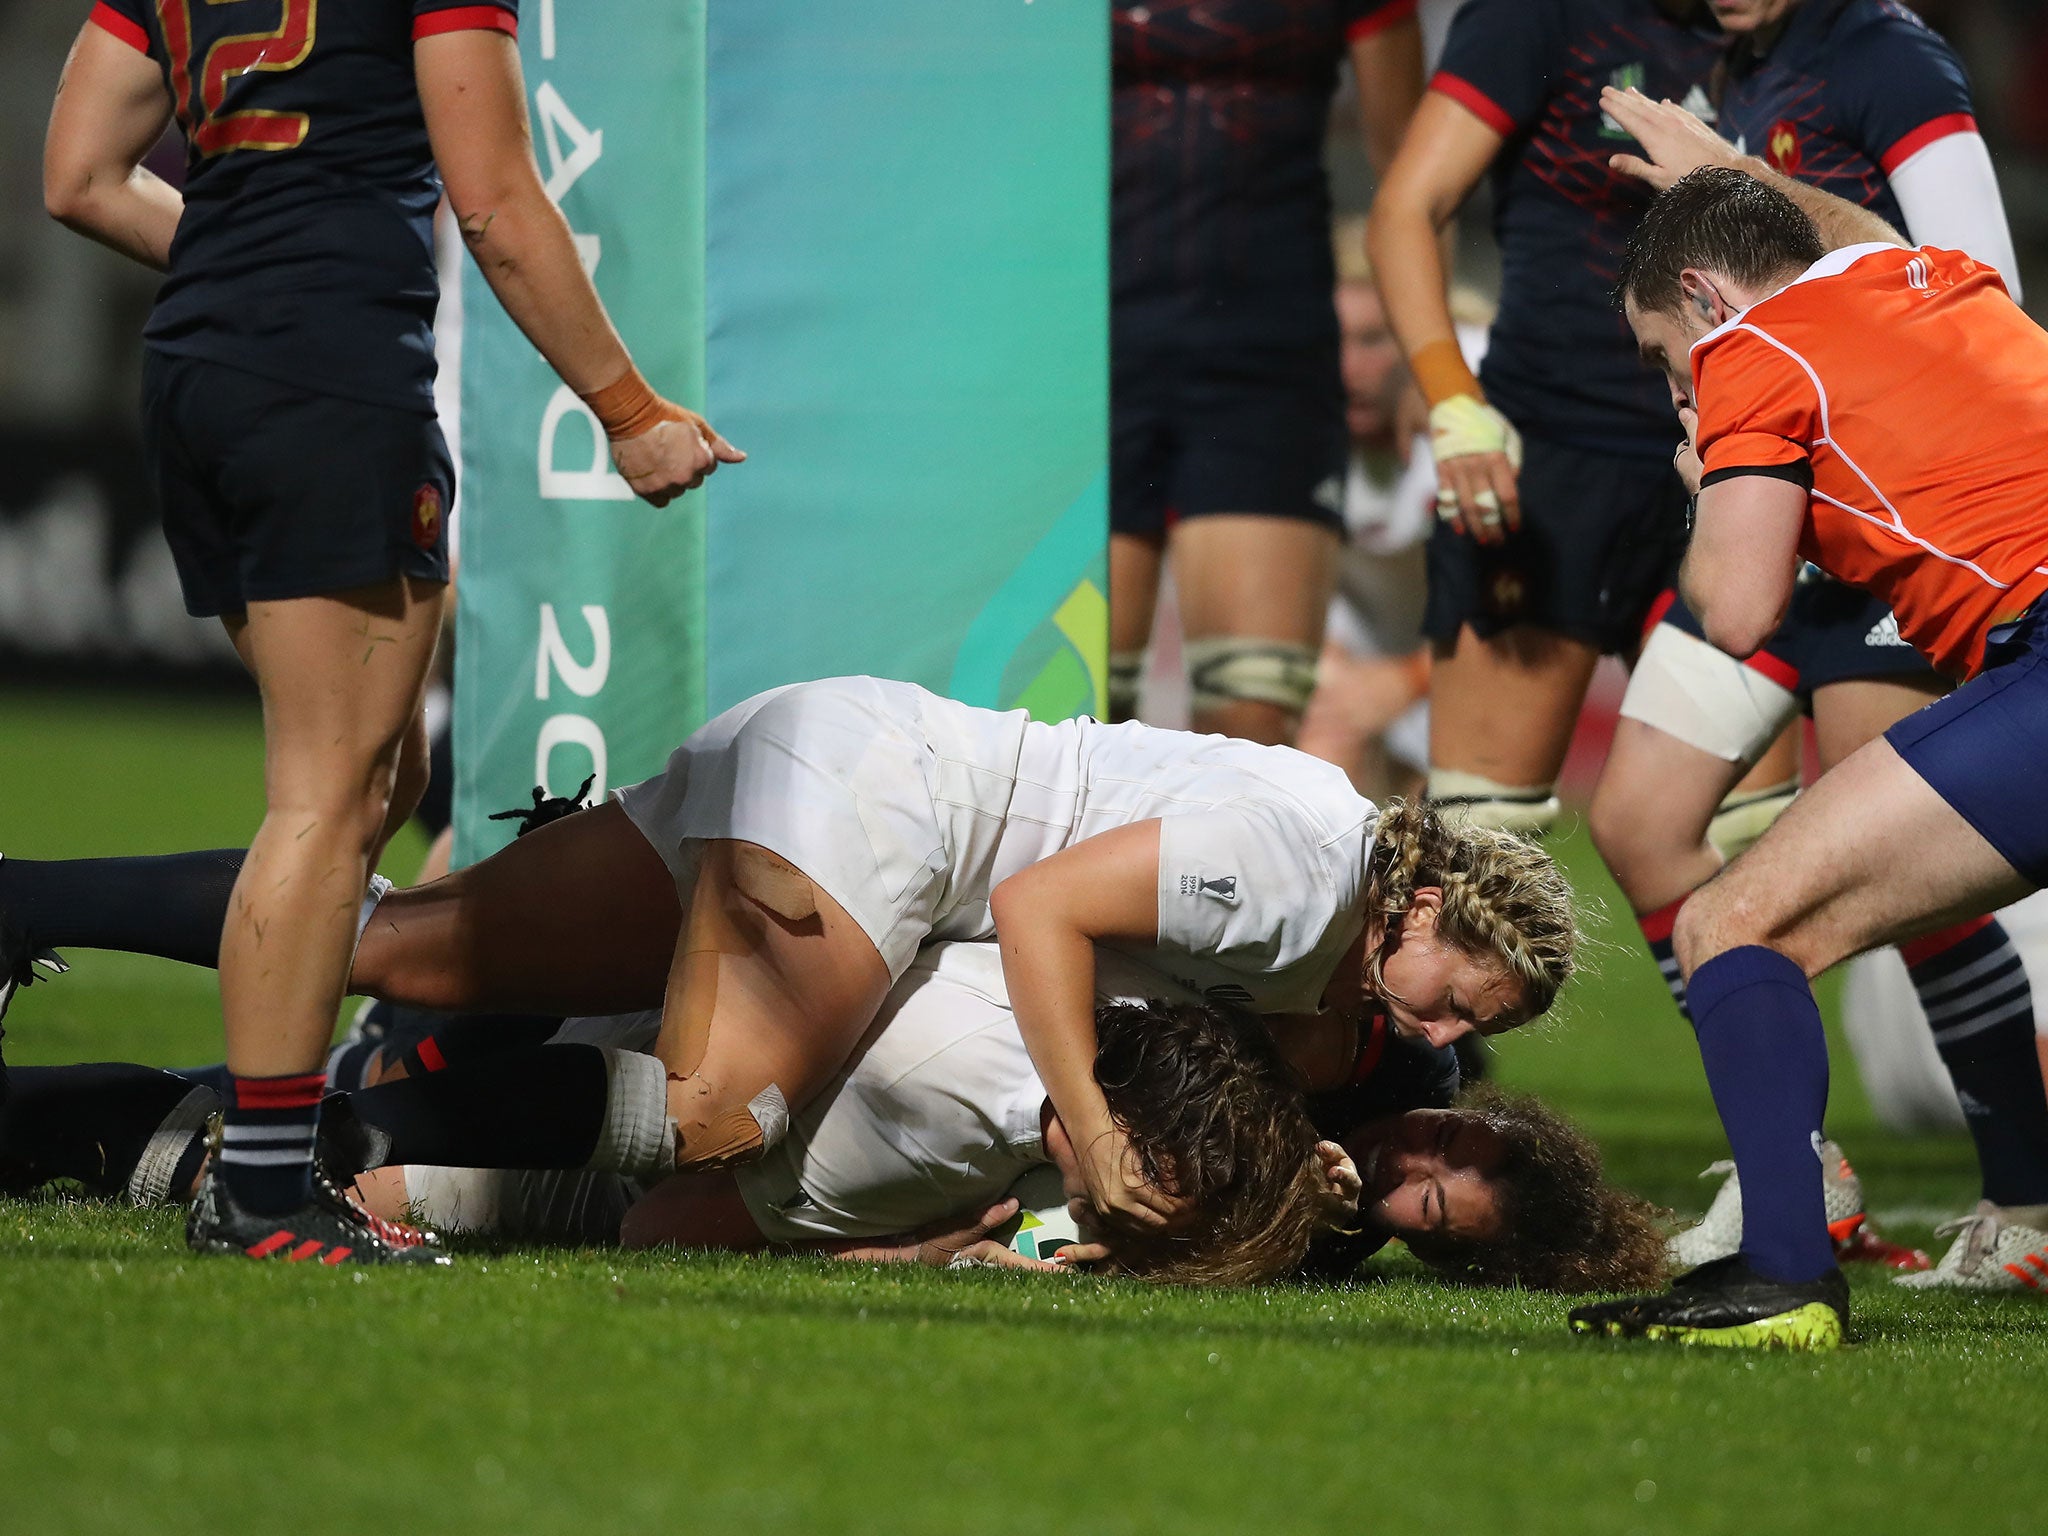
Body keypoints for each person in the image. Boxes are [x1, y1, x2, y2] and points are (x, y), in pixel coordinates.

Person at [0, 677, 1580, 1241]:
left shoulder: (1329, 836)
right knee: (713, 1119)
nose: (1438, 1030)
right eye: (1459, 994)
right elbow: (1042, 911)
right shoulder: (1314, 889)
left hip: (834, 748)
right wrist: (1090, 1129)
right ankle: (319, 1171)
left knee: (401, 949)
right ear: (1429, 908)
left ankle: (20, 902)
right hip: (888, 819)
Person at [36, 2, 741, 1263]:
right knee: (325, 799)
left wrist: (244, 270)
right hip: (329, 375)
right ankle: (259, 1190)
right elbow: (497, 204)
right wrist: (626, 411)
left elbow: (79, 176)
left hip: (197, 373)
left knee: (378, 779)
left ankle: (272, 1120)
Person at [1584, 1, 2034, 1283]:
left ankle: (1785, 1265)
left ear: (1699, 298)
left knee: (1730, 921)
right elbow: (1867, 237)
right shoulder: (1919, 275)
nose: (1682, 389)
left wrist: (1700, 465)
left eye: (1669, 361)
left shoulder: (1747, 353)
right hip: (2018, 653)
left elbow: (1734, 609)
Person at [0, 944, 1662, 1291]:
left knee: (314, 1132)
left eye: (1429, 1202)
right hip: (791, 1052)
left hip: (778, 1112)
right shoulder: (1330, 1040)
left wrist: (988, 1247)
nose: (1409, 1164)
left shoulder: (1263, 1239)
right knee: (372, 1083)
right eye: (1450, 1150)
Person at [1369, 0, 1755, 843]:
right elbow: (1407, 206)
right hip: (1548, 466)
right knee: (1480, 852)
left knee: (1737, 845)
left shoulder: (1795, 30)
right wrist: (1452, 400)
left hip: (1735, 460)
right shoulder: (1538, 14)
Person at [1108, 0, 1425, 746]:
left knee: (1251, 726)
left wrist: (1419, 360)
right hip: (1082, 363)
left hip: (1266, 364)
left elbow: (1410, 173)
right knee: (1073, 714)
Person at [1296, 217, 1492, 801]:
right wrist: (1341, 676)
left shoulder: (1481, 397)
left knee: (1454, 833)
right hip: (1364, 638)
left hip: (1476, 652)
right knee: (1315, 760)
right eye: (1333, 340)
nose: (1348, 369)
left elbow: (1530, 605)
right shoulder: (1285, 409)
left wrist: (1409, 681)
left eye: (1374, 340)